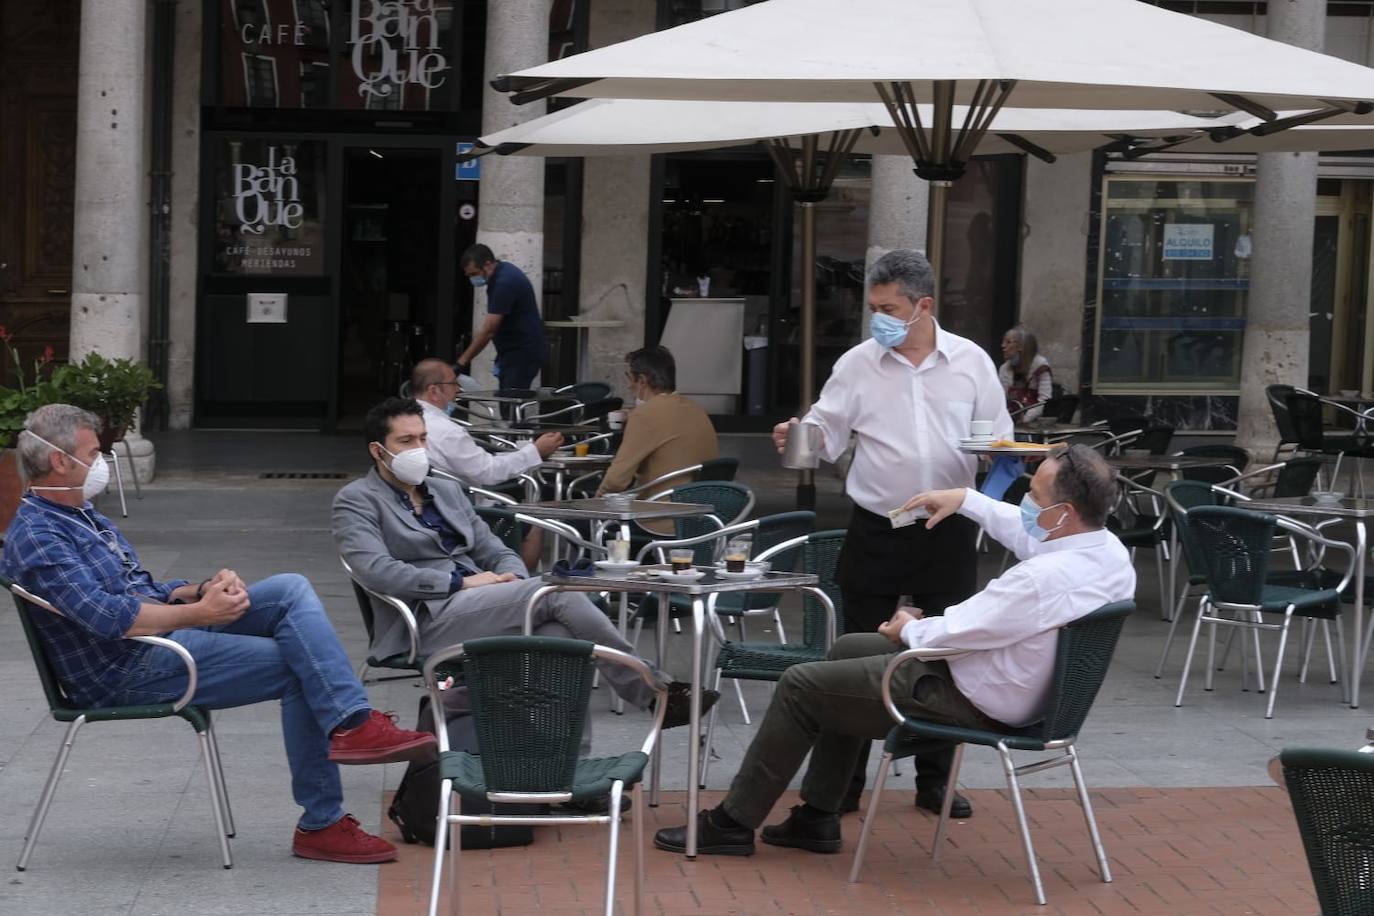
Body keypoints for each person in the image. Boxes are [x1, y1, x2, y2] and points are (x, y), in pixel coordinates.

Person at [1, 404, 436, 865]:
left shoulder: (81, 515)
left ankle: (352, 724)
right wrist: (199, 614)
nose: (103, 462)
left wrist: (199, 590)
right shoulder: (39, 535)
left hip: (145, 644)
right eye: (95, 452)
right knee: (300, 665)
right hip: (122, 669)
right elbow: (109, 618)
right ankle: (323, 820)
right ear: (60, 461)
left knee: (290, 588)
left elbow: (142, 589)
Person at [653, 444, 1135, 856]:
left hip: (969, 696)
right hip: (1020, 692)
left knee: (801, 684)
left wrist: (908, 628)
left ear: (1064, 513)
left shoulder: (1043, 579)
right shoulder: (1106, 554)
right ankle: (817, 817)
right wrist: (966, 499)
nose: (1024, 502)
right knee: (847, 650)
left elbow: (960, 631)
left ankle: (731, 824)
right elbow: (1024, 535)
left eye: (1034, 496)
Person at [771, 248, 1012, 819]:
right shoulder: (858, 363)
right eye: (872, 306)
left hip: (948, 527)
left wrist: (990, 501)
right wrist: (797, 433)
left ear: (922, 306)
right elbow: (826, 430)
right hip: (877, 526)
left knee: (951, 655)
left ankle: (935, 782)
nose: (876, 317)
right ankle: (843, 787)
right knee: (856, 652)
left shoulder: (972, 362)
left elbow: (1000, 443)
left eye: (887, 307)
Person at [330, 399, 717, 739]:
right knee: (555, 593)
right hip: (424, 618)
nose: (419, 448)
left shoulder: (445, 491)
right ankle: (654, 692)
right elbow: (376, 570)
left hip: (482, 602)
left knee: (564, 643)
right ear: (378, 451)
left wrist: (512, 575)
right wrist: (458, 582)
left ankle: (565, 775)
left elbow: (494, 548)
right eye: (405, 441)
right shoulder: (357, 500)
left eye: (422, 438)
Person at [410, 358, 562, 568]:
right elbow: (487, 472)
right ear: (434, 391)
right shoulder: (446, 431)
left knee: (509, 499)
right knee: (535, 518)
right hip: (463, 510)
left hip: (421, 506)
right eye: (453, 384)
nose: (458, 391)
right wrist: (534, 452)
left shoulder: (402, 419)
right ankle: (521, 584)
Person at [597, 346, 719, 534]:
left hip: (658, 519)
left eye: (629, 378)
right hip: (701, 518)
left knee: (578, 529)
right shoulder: (696, 410)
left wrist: (592, 505)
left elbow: (615, 482)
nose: (628, 386)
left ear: (642, 381)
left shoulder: (644, 416)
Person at [455, 243, 546, 392]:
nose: (472, 279)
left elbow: (489, 330)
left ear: (488, 264)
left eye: (474, 274)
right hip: (515, 352)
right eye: (468, 275)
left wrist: (461, 362)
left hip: (520, 353)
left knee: (510, 405)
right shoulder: (502, 273)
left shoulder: (504, 283)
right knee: (509, 403)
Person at [999, 325, 1053, 421]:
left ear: (1020, 346)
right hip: (1011, 419)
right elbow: (1001, 399)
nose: (1003, 346)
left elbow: (1044, 400)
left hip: (1034, 423)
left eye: (1008, 342)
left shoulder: (1040, 367)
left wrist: (1025, 419)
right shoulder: (1004, 369)